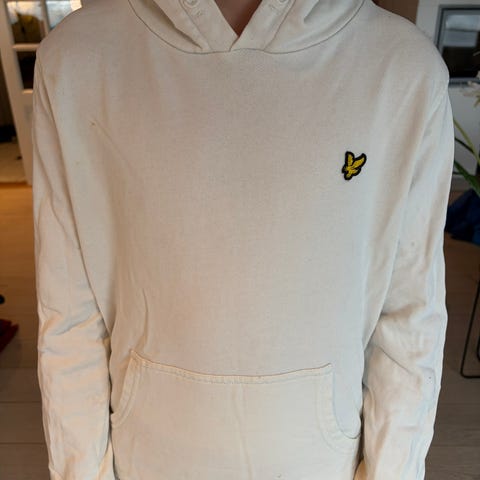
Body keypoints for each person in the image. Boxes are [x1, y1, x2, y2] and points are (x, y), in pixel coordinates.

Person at [31, 0, 454, 478]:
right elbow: (70, 317)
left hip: (321, 464)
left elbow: (408, 319)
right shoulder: (77, 60)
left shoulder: (403, 70)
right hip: (147, 458)